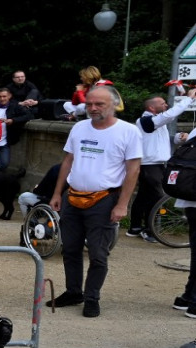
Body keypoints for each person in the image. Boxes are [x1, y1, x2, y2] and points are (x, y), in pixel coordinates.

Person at [48, 85, 142, 318]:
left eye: (99, 104)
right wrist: (57, 193)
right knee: (70, 248)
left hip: (104, 199)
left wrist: (122, 204)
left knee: (98, 253)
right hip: (73, 196)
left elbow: (133, 170)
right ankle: (73, 292)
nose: (93, 108)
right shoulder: (79, 127)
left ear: (113, 105)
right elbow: (68, 161)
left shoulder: (129, 131)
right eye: (89, 104)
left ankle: (92, 298)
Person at [129, 88, 196, 242]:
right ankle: (149, 230)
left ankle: (135, 228)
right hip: (150, 165)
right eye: (163, 103)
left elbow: (162, 141)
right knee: (158, 196)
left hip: (157, 164)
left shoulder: (156, 122)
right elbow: (170, 115)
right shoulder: (145, 121)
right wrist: (188, 99)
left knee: (143, 196)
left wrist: (179, 138)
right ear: (151, 107)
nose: (166, 105)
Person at [0, 88, 32, 175]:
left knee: (3, 164)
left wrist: (12, 120)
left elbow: (28, 115)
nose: (2, 99)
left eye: (4, 96)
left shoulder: (15, 106)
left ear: (9, 96)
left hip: (4, 142)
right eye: (0, 96)